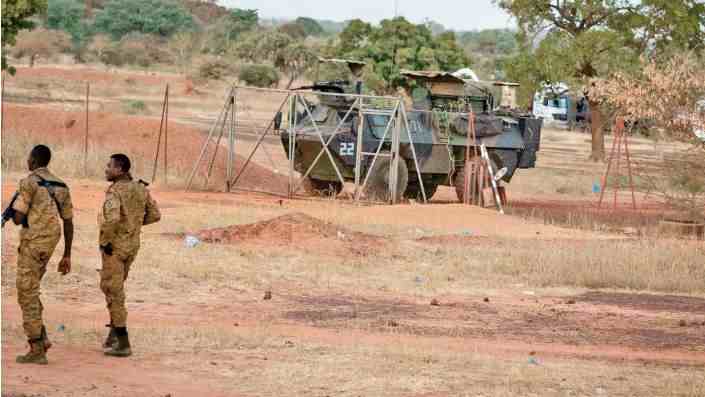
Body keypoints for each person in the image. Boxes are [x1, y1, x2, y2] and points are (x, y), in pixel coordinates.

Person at [8, 145, 73, 365]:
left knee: (26, 293)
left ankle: (37, 349)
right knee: (32, 288)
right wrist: (67, 255)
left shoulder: (29, 182)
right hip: (50, 244)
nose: (27, 161)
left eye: (28, 157)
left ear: (34, 160)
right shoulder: (61, 185)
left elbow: (18, 218)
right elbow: (68, 221)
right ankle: (42, 338)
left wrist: (13, 211)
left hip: (33, 243)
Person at [99, 154, 161, 357]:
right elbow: (154, 215)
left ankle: (123, 342)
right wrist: (132, 225)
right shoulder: (140, 188)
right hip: (132, 246)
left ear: (121, 170)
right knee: (115, 288)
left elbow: (113, 218)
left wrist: (106, 241)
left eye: (110, 166)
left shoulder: (115, 191)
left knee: (112, 290)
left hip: (115, 248)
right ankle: (113, 335)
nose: (107, 169)